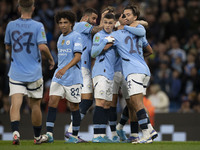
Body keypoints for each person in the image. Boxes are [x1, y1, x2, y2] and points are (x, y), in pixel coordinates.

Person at [4, 0, 55, 145]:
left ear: (19, 7)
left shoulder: (10, 25)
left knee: (16, 103)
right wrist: (51, 59)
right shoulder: (38, 26)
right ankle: (37, 137)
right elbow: (43, 47)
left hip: (16, 72)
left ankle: (15, 133)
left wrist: (13, 55)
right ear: (33, 8)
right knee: (35, 105)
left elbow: (8, 46)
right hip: (34, 73)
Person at [110, 4, 157, 144]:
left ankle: (147, 133)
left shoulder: (117, 34)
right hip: (144, 70)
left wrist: (120, 26)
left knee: (136, 104)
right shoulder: (139, 29)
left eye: (128, 14)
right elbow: (149, 49)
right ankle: (149, 129)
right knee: (135, 103)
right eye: (124, 15)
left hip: (133, 71)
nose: (125, 17)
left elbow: (106, 35)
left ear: (135, 17)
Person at [65, 8, 106, 138]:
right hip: (81, 68)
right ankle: (72, 131)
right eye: (93, 18)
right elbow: (96, 29)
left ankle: (72, 131)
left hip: (82, 68)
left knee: (83, 102)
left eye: (96, 19)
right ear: (85, 17)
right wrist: (109, 22)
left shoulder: (83, 32)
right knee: (87, 101)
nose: (94, 22)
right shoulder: (81, 25)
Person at [44, 10, 83, 143]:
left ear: (71, 23)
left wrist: (65, 68)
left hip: (73, 78)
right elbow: (63, 59)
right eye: (60, 23)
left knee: (74, 107)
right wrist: (56, 65)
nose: (63, 25)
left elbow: (78, 57)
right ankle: (49, 134)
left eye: (65, 22)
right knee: (52, 101)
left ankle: (75, 136)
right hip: (59, 76)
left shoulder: (76, 36)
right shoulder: (60, 37)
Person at [91, 13, 116, 143]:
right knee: (100, 103)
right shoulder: (98, 36)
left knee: (107, 104)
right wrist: (105, 42)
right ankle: (96, 135)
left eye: (110, 23)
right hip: (100, 73)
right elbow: (93, 53)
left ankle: (103, 134)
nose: (107, 25)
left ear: (114, 24)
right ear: (102, 23)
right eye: (105, 22)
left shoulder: (115, 36)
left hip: (110, 74)